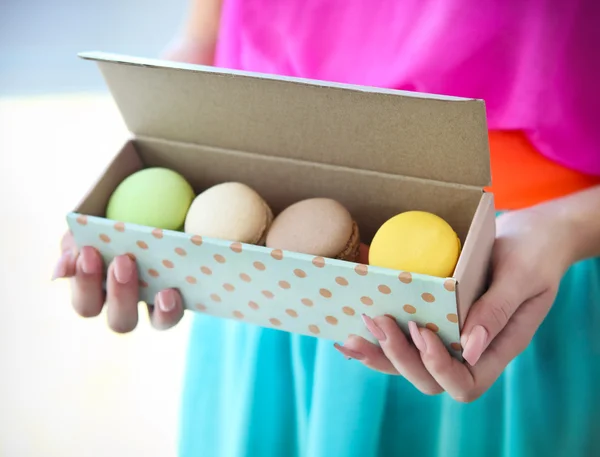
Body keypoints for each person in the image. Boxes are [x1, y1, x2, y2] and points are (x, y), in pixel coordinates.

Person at [53, 1, 600, 456]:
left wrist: (569, 227)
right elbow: (208, 32)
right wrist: (182, 97)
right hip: (258, 272)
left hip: (510, 267)